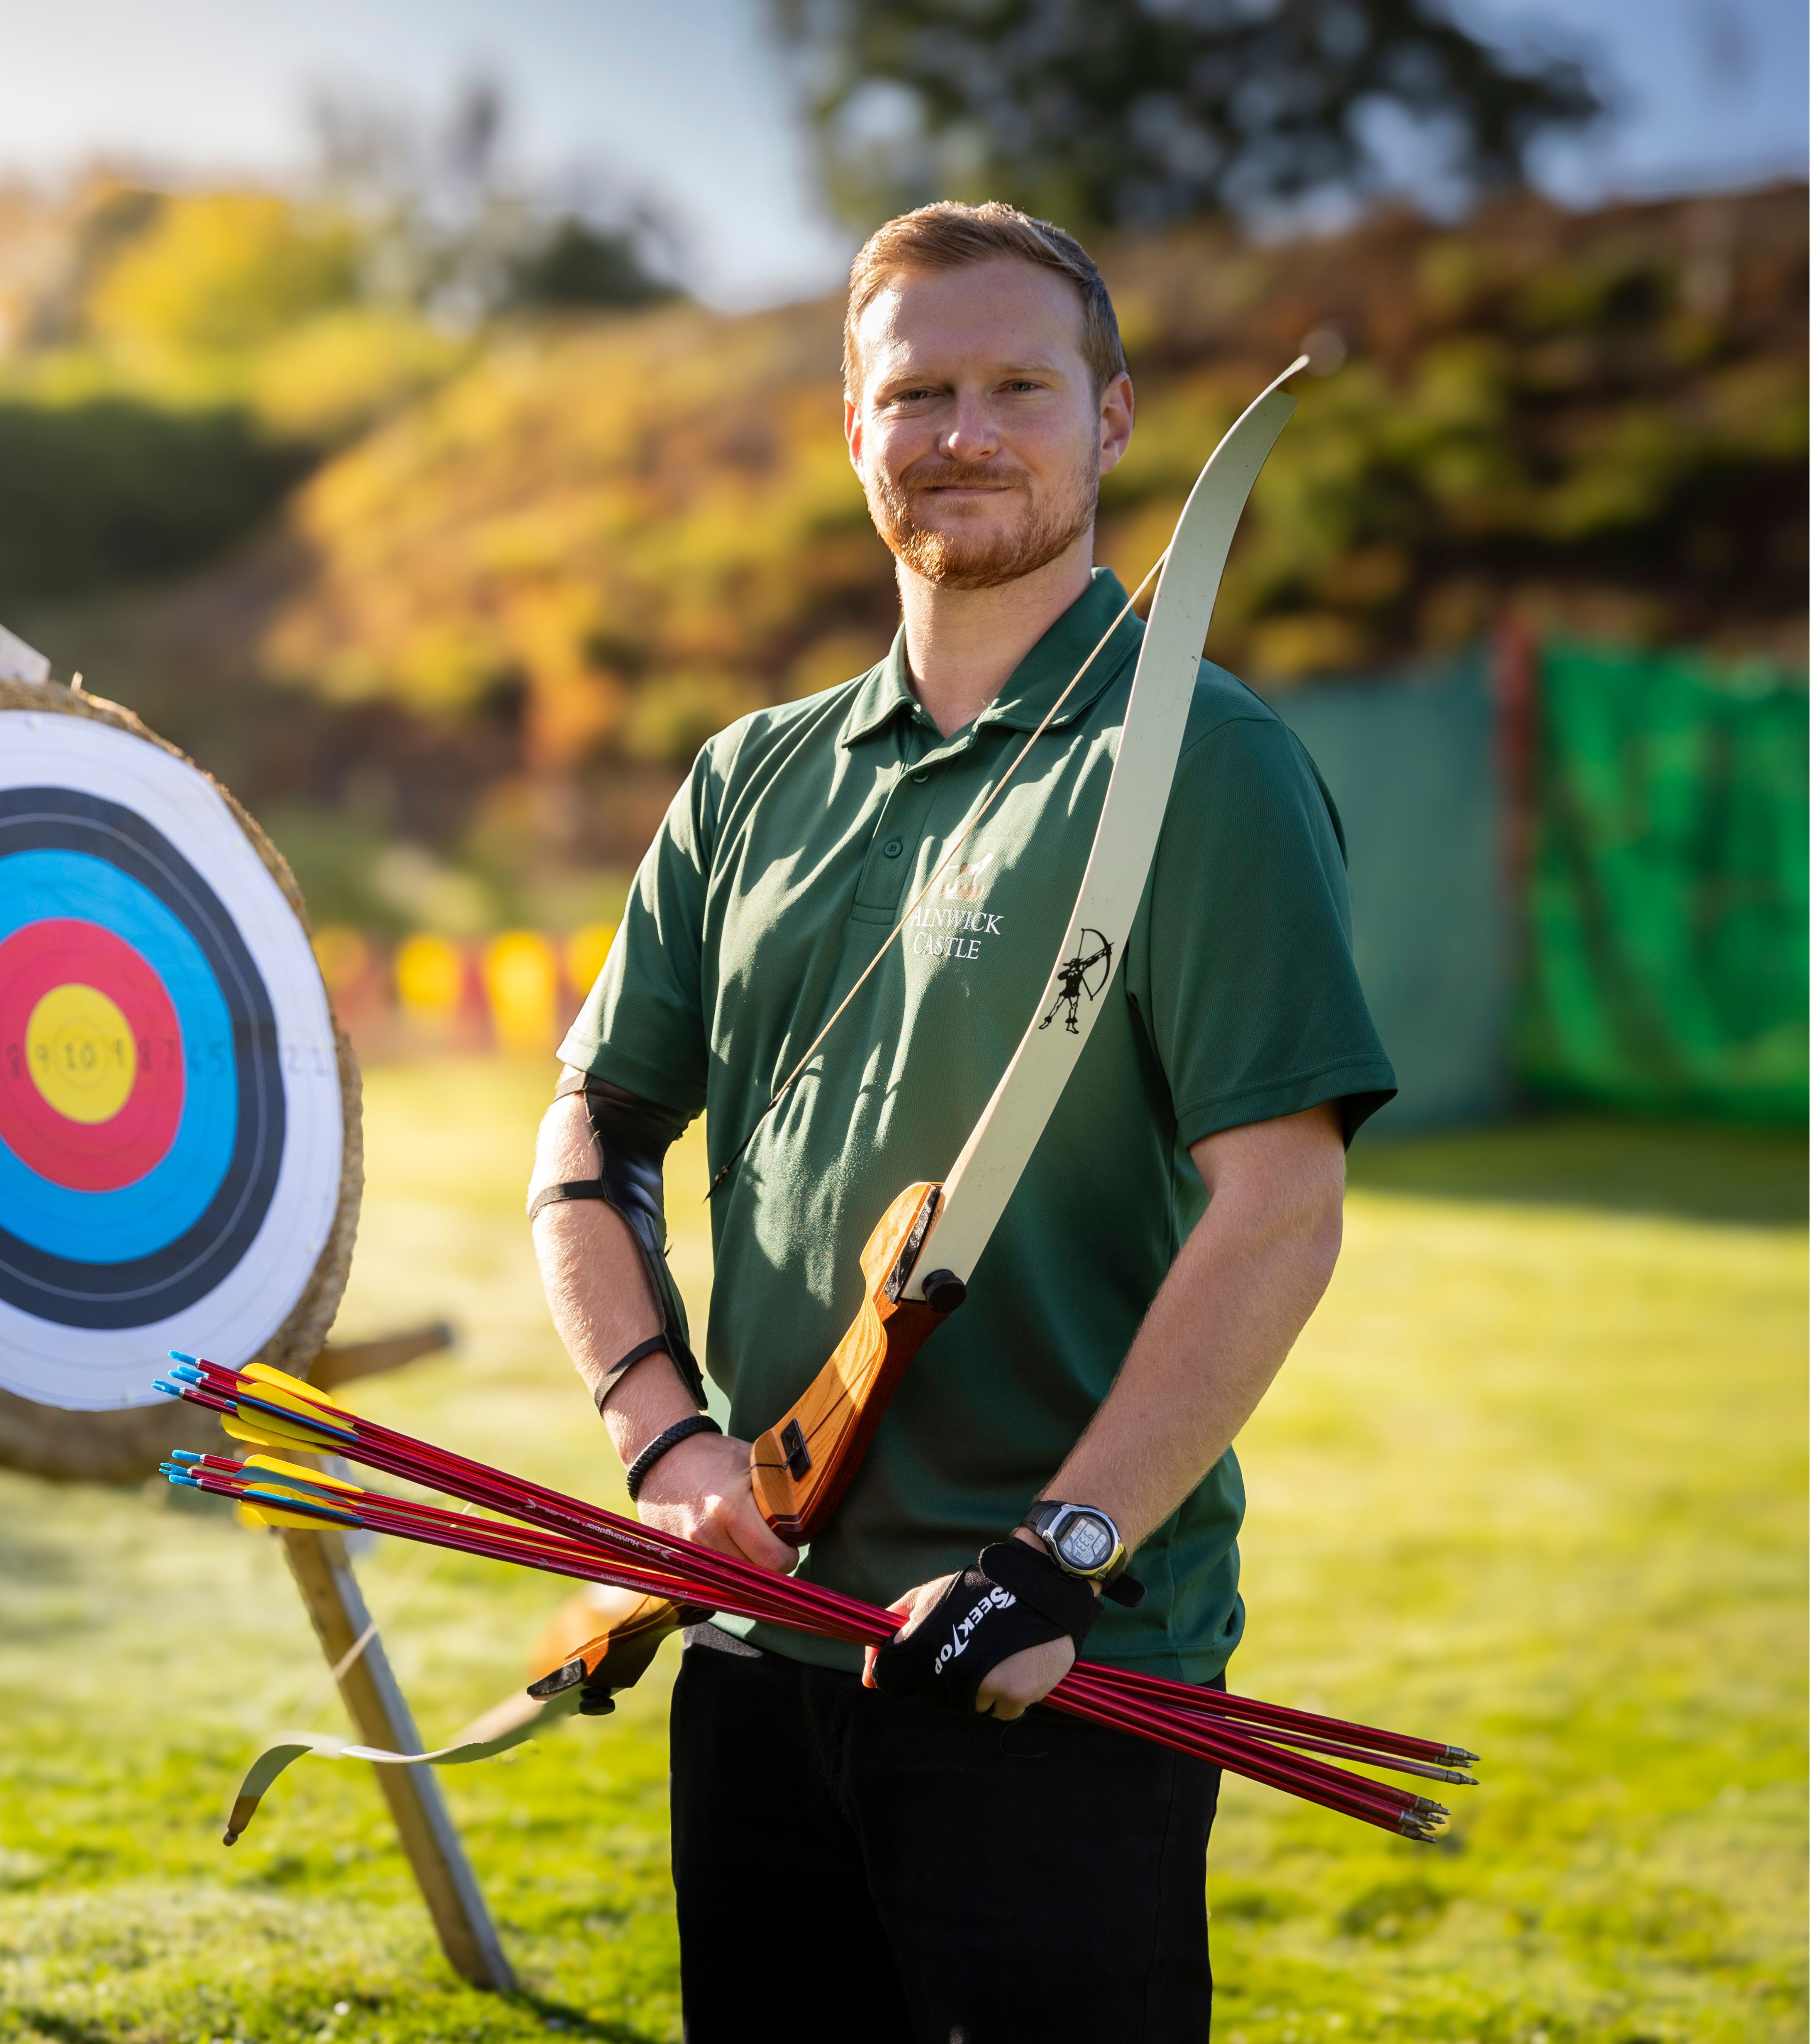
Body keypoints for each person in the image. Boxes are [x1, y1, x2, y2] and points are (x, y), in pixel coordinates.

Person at [530, 201, 1397, 2042]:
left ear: (1111, 417)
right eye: (915, 388)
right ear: (853, 430)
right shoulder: (746, 778)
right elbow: (589, 1143)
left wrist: (1051, 1555)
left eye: (1019, 382)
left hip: (1052, 1661)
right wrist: (669, 1447)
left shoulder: (1203, 765)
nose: (964, 429)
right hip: (762, 1625)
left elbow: (1279, 1210)